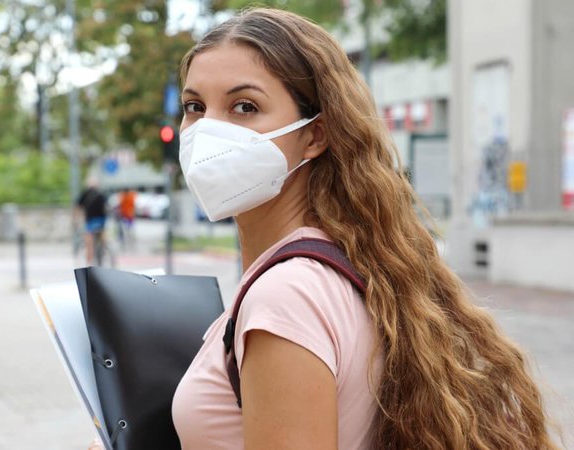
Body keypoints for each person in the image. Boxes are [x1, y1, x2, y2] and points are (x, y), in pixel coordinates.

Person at [87, 7, 558, 450]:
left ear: (315, 134)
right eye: (194, 106)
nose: (208, 129)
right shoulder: (345, 264)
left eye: (245, 107)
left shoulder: (286, 296)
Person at [76, 179, 108, 266]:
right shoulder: (101, 194)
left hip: (90, 222)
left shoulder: (85, 194)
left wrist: (76, 220)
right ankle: (106, 250)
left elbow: (78, 207)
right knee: (102, 237)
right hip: (101, 221)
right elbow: (106, 207)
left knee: (89, 242)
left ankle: (89, 262)